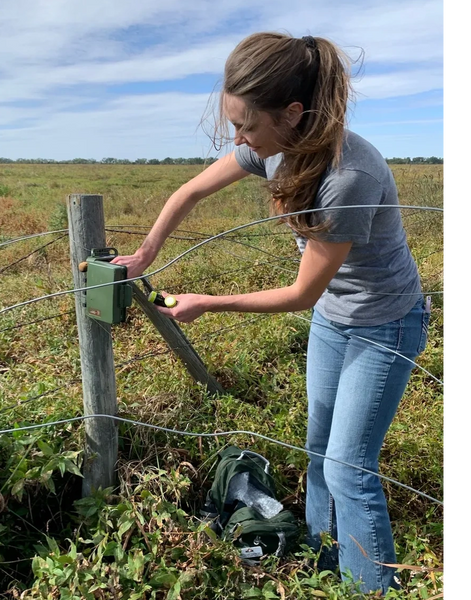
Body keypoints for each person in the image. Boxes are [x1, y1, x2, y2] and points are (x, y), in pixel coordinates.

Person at [112, 31, 430, 595]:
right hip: (336, 317)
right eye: (234, 125)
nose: (239, 140)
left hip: (384, 322)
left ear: (293, 112)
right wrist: (145, 252)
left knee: (348, 468)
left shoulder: (349, 174)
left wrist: (209, 302)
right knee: (318, 448)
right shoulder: (275, 145)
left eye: (246, 127)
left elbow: (301, 294)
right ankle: (319, 559)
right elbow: (190, 191)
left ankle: (371, 586)